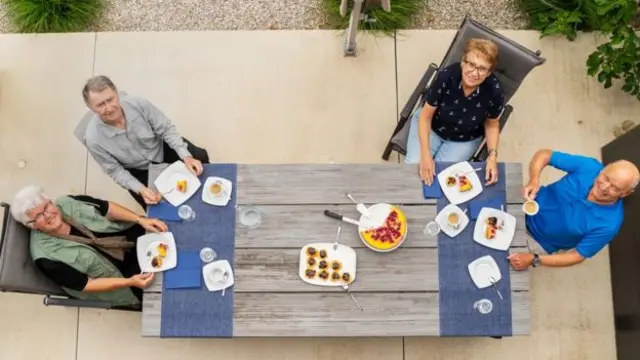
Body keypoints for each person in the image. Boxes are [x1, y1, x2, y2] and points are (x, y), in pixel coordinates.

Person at [11, 185, 169, 308]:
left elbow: (107, 208)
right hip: (119, 275)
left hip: (124, 237)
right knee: (168, 291)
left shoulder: (66, 202)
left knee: (170, 235)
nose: (48, 215)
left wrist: (140, 219)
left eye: (46, 207)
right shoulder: (45, 258)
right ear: (31, 225)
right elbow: (87, 285)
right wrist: (130, 282)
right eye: (38, 216)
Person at [80, 75, 210, 209]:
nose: (109, 108)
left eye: (110, 99)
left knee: (199, 160)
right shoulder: (92, 139)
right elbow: (115, 170)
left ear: (116, 93)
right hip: (138, 169)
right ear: (91, 108)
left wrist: (186, 157)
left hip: (161, 148)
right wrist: (141, 189)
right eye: (101, 105)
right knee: (157, 207)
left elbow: (166, 129)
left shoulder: (138, 103)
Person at [508, 149, 639, 270]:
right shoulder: (589, 166)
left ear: (625, 193)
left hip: (538, 242)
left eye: (614, 188)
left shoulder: (609, 225)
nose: (604, 187)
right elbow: (545, 155)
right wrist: (534, 180)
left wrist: (534, 259)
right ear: (604, 169)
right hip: (528, 201)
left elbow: (577, 256)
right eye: (606, 178)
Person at [406, 38, 505, 186]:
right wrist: (425, 155)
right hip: (432, 126)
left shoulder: (495, 91)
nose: (474, 73)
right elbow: (425, 117)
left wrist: (492, 156)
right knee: (413, 169)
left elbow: (491, 124)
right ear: (463, 62)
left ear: (489, 72)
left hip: (464, 140)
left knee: (442, 179)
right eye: (471, 64)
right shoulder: (446, 76)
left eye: (482, 68)